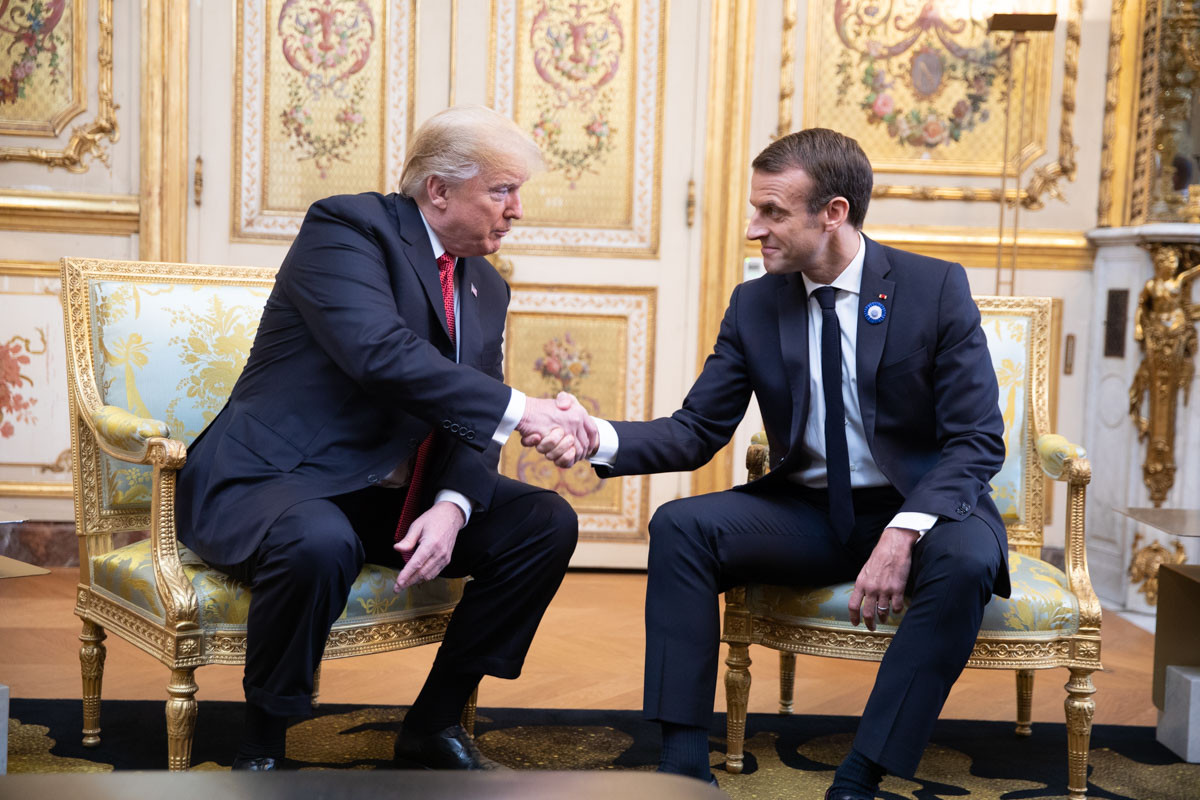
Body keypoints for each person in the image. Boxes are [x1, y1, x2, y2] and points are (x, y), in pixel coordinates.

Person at [532, 128, 1008, 798]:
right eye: (757, 210)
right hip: (811, 513)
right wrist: (595, 438)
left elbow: (977, 439)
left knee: (965, 563)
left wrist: (905, 531)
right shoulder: (756, 302)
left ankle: (861, 774)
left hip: (925, 510)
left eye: (773, 213)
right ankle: (682, 764)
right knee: (682, 527)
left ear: (833, 213)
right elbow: (696, 431)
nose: (755, 228)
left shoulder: (932, 289)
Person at [176, 105, 596, 771]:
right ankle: (262, 745)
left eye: (517, 193)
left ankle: (433, 724)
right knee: (318, 538)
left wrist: (451, 506)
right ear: (439, 190)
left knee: (543, 522)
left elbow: (473, 412)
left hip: (386, 493)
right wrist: (526, 411)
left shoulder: (485, 283)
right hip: (282, 478)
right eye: (501, 190)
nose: (516, 210)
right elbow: (380, 353)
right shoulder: (346, 230)